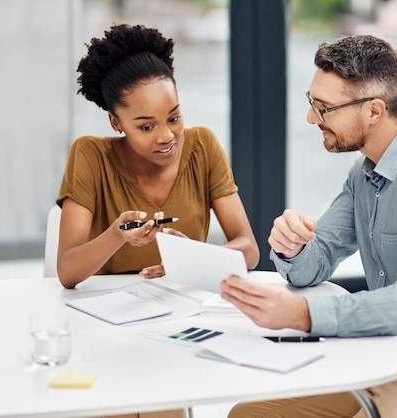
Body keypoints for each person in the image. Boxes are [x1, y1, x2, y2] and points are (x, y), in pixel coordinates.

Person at [220, 34, 397, 417]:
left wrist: (302, 315)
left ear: (374, 110)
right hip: (391, 354)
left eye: (324, 108)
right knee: (250, 414)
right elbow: (313, 265)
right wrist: (291, 246)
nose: (311, 118)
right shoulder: (365, 173)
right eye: (311, 103)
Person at [55, 24, 259, 291]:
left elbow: (249, 250)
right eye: (146, 127)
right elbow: (67, 272)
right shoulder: (90, 156)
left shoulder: (203, 146)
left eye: (174, 118)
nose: (167, 136)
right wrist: (118, 235)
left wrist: (193, 258)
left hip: (184, 306)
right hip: (110, 310)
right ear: (116, 122)